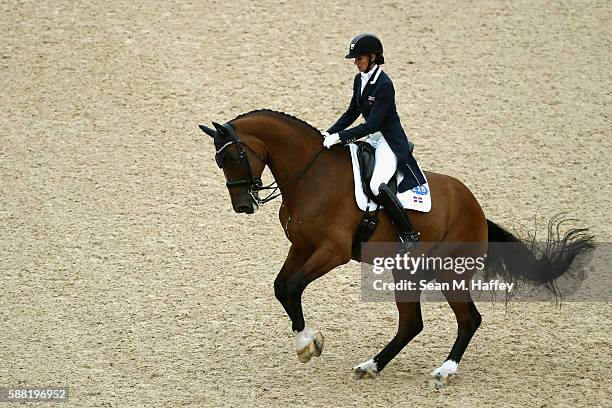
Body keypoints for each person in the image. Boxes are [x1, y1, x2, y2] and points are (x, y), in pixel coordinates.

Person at [323, 33, 425, 252]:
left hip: (389, 141)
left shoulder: (384, 85)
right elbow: (352, 112)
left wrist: (340, 138)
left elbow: (371, 125)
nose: (355, 63)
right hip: (373, 139)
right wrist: (328, 133)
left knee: (376, 184)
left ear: (372, 57)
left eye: (359, 59)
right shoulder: (360, 79)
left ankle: (409, 233)